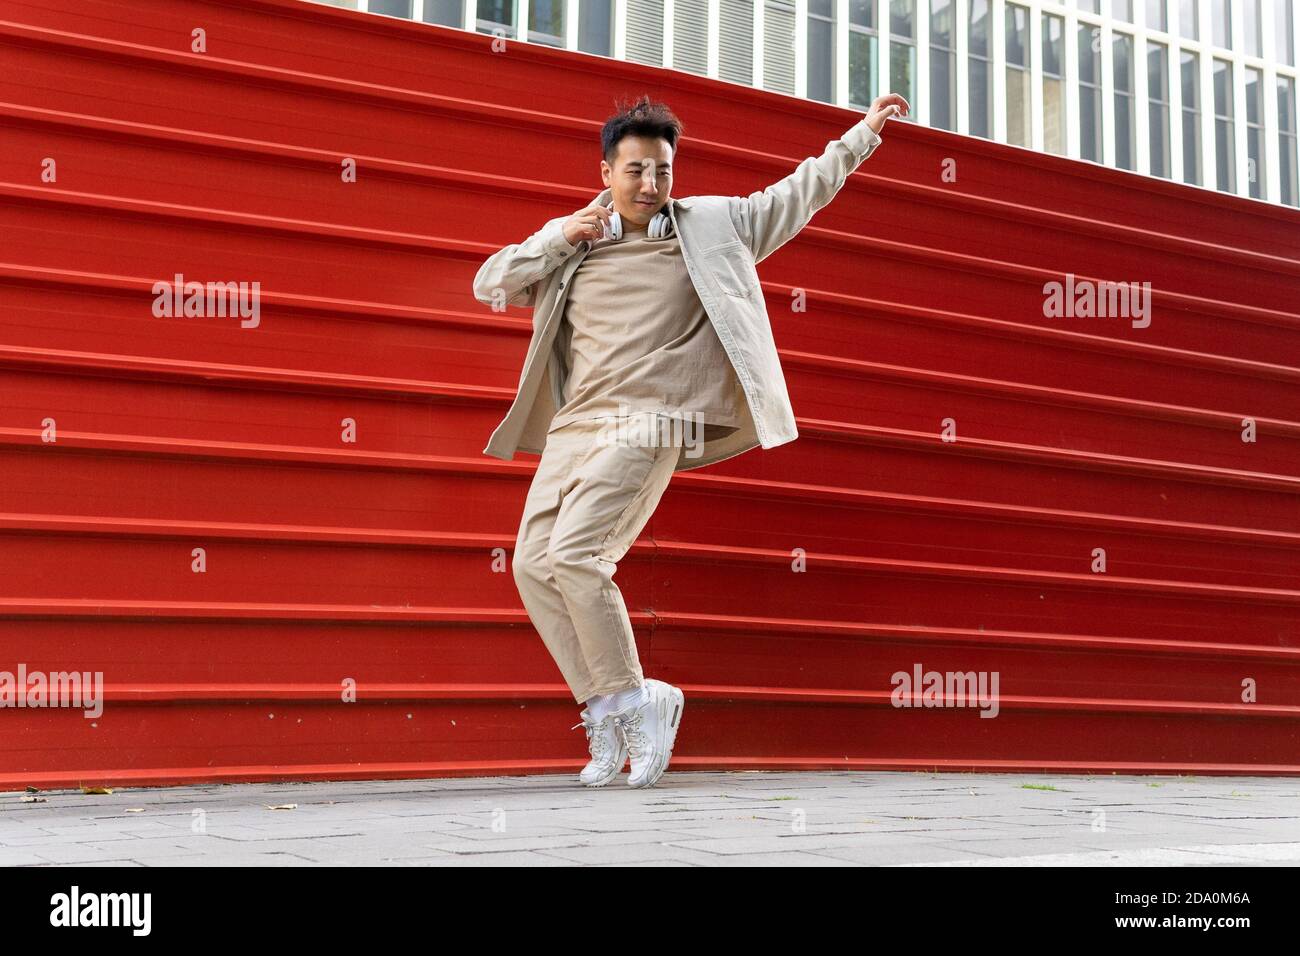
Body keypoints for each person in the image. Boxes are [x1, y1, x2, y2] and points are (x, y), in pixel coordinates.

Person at [473, 91, 908, 788]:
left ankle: (635, 703)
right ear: (607, 171)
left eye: (663, 171)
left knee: (579, 555)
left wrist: (860, 138)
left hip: (655, 415)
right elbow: (490, 283)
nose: (652, 185)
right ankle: (615, 705)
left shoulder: (711, 225)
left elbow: (798, 194)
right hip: (577, 424)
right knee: (532, 564)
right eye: (637, 171)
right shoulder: (575, 240)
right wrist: (561, 236)